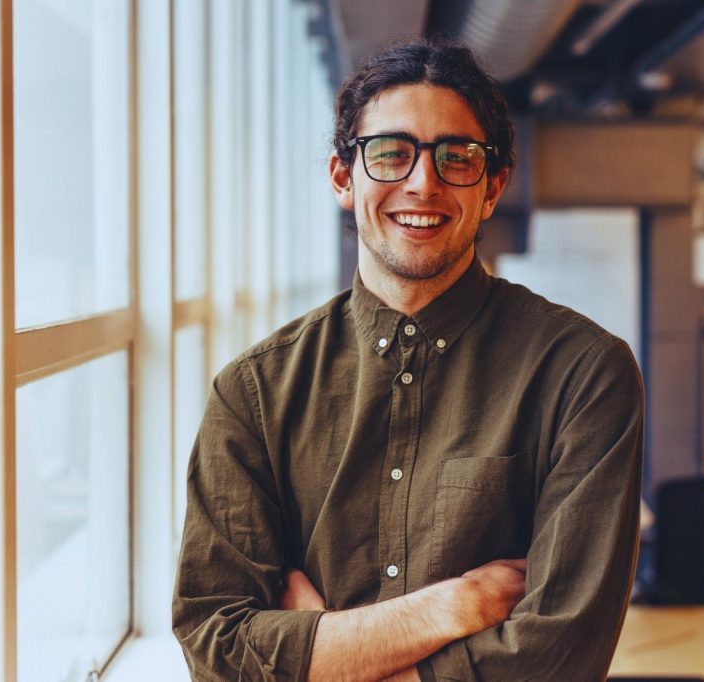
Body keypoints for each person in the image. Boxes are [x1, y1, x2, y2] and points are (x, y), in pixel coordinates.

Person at [173, 37, 644, 681]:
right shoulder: (254, 392)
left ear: (493, 187)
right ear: (344, 177)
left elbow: (560, 656)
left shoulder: (583, 374)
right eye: (391, 153)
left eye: (458, 157)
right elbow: (216, 644)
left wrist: (326, 652)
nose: (423, 183)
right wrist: (453, 606)